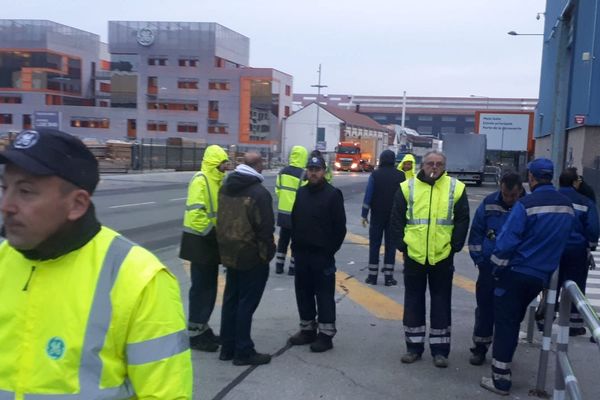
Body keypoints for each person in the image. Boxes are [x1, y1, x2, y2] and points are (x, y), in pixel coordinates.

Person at [0, 129, 192, 398]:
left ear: (77, 204)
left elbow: (166, 394)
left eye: (26, 191)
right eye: (4, 188)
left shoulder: (138, 278)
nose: (6, 206)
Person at [480, 158, 574, 396]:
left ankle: (500, 379)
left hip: (515, 273)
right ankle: (504, 366)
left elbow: (506, 242)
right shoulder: (566, 207)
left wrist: (495, 269)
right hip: (541, 277)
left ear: (531, 178)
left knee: (506, 324)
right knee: (515, 318)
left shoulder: (526, 205)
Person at [390, 150, 470, 368]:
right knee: (413, 302)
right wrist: (402, 245)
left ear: (444, 166)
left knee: (441, 302)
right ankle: (413, 348)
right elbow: (396, 218)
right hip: (414, 255)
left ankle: (440, 351)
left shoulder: (456, 187)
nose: (434, 167)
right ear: (422, 165)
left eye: (438, 164)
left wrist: (455, 246)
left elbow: (463, 219)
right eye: (429, 163)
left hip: (442, 256)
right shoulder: (407, 188)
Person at [216, 153, 276, 365]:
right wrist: (267, 254)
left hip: (229, 253)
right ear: (258, 165)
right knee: (246, 303)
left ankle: (227, 347)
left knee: (231, 299)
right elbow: (266, 229)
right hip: (251, 256)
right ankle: (243, 350)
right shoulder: (259, 193)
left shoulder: (225, 187)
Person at [288, 154, 346, 352]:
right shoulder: (301, 193)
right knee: (303, 293)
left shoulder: (333, 194)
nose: (313, 173)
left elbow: (340, 228)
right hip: (302, 254)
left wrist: (329, 250)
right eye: (311, 169)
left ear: (324, 171)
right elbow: (294, 220)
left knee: (324, 295)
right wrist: (294, 248)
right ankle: (307, 330)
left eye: (317, 169)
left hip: (322, 255)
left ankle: (326, 335)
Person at [467, 172, 524, 366]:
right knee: (484, 309)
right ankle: (480, 348)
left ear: (520, 191)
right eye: (506, 195)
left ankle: (504, 354)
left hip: (513, 270)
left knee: (509, 314)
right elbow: (476, 232)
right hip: (489, 267)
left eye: (513, 196)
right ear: (501, 187)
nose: (509, 200)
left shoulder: (526, 205)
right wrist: (479, 259)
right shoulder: (489, 202)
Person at [179, 144, 229, 352]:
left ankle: (202, 327)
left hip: (207, 241)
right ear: (214, 164)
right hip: (201, 241)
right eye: (223, 165)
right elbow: (198, 213)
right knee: (202, 289)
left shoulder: (216, 181)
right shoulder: (201, 180)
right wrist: (213, 233)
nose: (226, 169)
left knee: (207, 288)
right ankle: (195, 334)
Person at [556, 169, 599, 336]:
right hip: (577, 250)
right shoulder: (585, 202)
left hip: (555, 248)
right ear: (575, 182)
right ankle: (574, 324)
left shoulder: (553, 199)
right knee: (576, 286)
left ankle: (545, 317)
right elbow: (593, 228)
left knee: (552, 284)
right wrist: (591, 246)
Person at [361, 149, 406, 286]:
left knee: (374, 245)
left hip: (377, 215)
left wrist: (364, 214)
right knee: (390, 246)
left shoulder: (375, 174)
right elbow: (404, 197)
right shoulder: (401, 176)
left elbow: (369, 194)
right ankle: (388, 277)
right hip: (394, 216)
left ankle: (372, 277)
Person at [275, 145, 308, 275]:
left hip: (283, 212)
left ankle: (279, 266)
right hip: (297, 213)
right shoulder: (303, 174)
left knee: (283, 239)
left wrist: (284, 200)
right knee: (296, 241)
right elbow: (305, 194)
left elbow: (278, 190)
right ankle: (292, 268)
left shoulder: (282, 172)